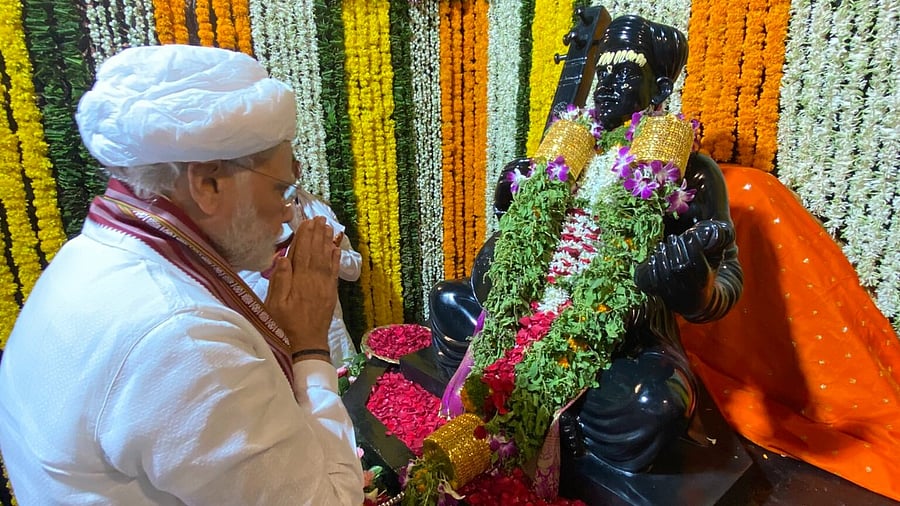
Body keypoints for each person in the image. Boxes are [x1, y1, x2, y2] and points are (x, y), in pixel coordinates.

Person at [0, 44, 363, 505]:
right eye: (279, 187)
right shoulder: (182, 336)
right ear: (207, 183)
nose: (285, 208)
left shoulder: (86, 257)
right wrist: (309, 348)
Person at [431, 14, 742, 475]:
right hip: (529, 313)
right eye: (604, 70)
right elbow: (524, 240)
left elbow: (727, 280)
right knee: (447, 302)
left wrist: (694, 284)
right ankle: (534, 400)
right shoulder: (571, 149)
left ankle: (547, 406)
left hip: (616, 339)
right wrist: (510, 209)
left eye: (626, 69)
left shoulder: (687, 169)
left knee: (653, 406)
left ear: (657, 89)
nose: (608, 82)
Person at [243, 185, 362, 368]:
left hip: (334, 334)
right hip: (281, 347)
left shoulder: (316, 206)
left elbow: (354, 269)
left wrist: (326, 250)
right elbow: (244, 300)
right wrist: (273, 272)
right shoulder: (245, 217)